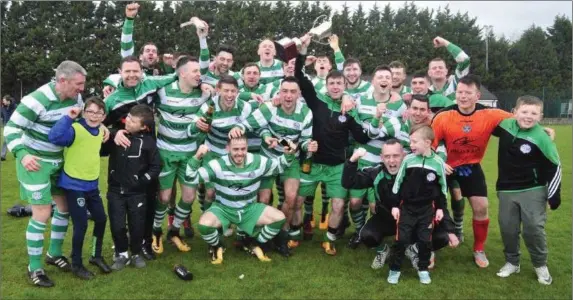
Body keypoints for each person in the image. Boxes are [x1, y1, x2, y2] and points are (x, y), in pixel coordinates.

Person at [3, 60, 97, 287]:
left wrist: (100, 130)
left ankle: (53, 254)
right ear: (62, 80)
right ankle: (34, 267)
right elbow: (11, 128)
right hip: (34, 162)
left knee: (64, 208)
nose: (81, 89)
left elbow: (83, 120)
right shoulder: (36, 100)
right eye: (78, 84)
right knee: (43, 212)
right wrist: (23, 154)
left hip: (58, 161)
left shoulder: (75, 98)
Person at [295, 34, 371, 255]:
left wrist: (357, 115)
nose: (335, 86)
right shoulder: (316, 101)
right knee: (297, 200)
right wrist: (302, 52)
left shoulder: (349, 110)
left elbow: (363, 138)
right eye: (332, 83)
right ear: (326, 85)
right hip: (312, 163)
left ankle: (329, 239)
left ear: (345, 85)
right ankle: (293, 234)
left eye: (339, 83)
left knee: (338, 206)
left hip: (337, 166)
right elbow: (299, 75)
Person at [431, 74, 514, 268]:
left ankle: (478, 248)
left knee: (481, 207)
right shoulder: (443, 116)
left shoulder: (490, 114)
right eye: (460, 92)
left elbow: (520, 121)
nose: (463, 96)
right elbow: (430, 145)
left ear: (477, 95)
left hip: (471, 167)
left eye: (468, 93)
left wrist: (542, 131)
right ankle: (429, 247)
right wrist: (439, 162)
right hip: (446, 167)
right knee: (432, 206)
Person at [229, 76, 317, 252]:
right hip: (268, 158)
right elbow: (247, 124)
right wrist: (237, 129)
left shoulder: (306, 112)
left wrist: (309, 145)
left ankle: (281, 236)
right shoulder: (270, 108)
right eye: (284, 91)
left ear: (299, 94)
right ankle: (258, 236)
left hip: (289, 159)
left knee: (291, 199)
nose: (288, 95)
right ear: (279, 93)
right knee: (263, 199)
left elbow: (306, 140)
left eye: (293, 91)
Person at [341, 139, 458, 270]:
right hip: (387, 220)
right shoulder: (376, 173)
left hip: (414, 220)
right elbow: (348, 183)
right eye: (387, 156)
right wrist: (352, 161)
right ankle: (383, 250)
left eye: (396, 156)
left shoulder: (417, 173)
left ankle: (413, 249)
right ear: (381, 157)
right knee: (367, 236)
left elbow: (438, 202)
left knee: (441, 238)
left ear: (404, 155)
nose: (391, 161)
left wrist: (450, 230)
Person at [188, 137, 294, 264]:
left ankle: (255, 243)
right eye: (235, 149)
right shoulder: (217, 164)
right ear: (228, 149)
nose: (240, 153)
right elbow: (191, 178)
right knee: (204, 226)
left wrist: (288, 153)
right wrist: (197, 156)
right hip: (223, 209)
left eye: (243, 149)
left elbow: (280, 165)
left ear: (247, 148)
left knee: (279, 218)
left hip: (249, 209)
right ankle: (218, 245)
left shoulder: (257, 161)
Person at [492, 96, 561, 285]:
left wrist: (554, 196)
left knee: (533, 229)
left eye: (533, 113)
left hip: (532, 189)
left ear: (541, 116)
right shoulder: (505, 126)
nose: (528, 116)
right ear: (515, 112)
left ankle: (540, 265)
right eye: (524, 112)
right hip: (506, 190)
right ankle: (512, 262)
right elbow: (481, 116)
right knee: (508, 228)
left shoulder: (541, 138)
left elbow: (555, 165)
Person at [151, 56, 211, 255]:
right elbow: (138, 89)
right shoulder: (163, 91)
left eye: (199, 72)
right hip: (165, 152)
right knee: (164, 196)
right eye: (194, 71)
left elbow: (228, 92)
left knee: (189, 196)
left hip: (190, 154)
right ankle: (156, 230)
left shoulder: (203, 94)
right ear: (182, 73)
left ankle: (174, 230)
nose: (199, 74)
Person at [47, 97, 112, 279]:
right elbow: (55, 137)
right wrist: (69, 118)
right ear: (84, 112)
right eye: (90, 111)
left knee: (101, 219)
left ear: (103, 116)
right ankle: (76, 264)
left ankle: (96, 256)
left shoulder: (100, 130)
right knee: (81, 224)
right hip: (74, 184)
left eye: (98, 112)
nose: (94, 115)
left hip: (92, 185)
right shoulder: (75, 129)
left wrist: (106, 128)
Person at [101, 104, 160, 270]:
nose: (128, 122)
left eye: (134, 121)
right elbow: (100, 143)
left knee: (137, 225)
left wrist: (141, 181)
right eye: (128, 118)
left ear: (144, 126)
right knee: (117, 224)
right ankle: (121, 254)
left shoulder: (149, 143)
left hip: (137, 194)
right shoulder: (116, 137)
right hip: (115, 192)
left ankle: (135, 253)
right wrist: (113, 133)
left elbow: (155, 167)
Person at [387, 125, 448, 285]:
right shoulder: (408, 160)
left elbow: (442, 188)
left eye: (414, 141)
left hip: (427, 210)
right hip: (406, 208)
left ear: (427, 142)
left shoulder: (438, 163)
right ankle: (394, 269)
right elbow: (397, 184)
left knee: (425, 241)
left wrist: (440, 208)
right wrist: (394, 205)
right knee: (401, 240)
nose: (411, 145)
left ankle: (423, 269)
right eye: (410, 141)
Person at [195, 18, 243, 87]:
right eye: (222, 59)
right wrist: (202, 38)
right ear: (215, 59)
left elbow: (241, 94)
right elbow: (204, 57)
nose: (225, 63)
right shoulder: (205, 72)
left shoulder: (235, 77)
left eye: (229, 60)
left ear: (232, 62)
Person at [427, 36, 470, 101]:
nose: (438, 70)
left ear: (446, 71)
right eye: (434, 68)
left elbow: (464, 59)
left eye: (440, 67)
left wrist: (444, 43)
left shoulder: (456, 84)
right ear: (429, 73)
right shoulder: (426, 94)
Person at [1, 95, 16, 161]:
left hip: (14, 126)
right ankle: (2, 156)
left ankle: (18, 153)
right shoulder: (2, 107)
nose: (3, 102)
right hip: (6, 125)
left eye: (4, 101)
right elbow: (1, 115)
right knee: (5, 140)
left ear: (8, 101)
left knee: (16, 140)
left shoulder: (15, 107)